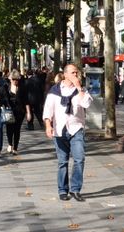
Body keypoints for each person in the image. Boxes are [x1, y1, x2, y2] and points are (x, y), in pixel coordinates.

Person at [43, 63, 92, 202]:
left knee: (79, 159)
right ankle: (63, 190)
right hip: (60, 129)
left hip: (76, 129)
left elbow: (86, 104)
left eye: (76, 72)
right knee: (62, 162)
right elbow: (48, 109)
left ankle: (75, 189)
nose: (75, 75)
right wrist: (48, 125)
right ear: (65, 74)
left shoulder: (81, 90)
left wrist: (79, 87)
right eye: (72, 73)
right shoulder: (55, 90)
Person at [7, 70, 30, 154]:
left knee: (17, 129)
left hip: (20, 111)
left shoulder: (22, 88)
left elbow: (26, 100)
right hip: (9, 111)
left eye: (17, 79)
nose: (15, 81)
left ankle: (15, 148)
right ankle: (10, 144)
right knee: (9, 129)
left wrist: (28, 112)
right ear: (10, 79)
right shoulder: (6, 87)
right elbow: (2, 97)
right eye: (13, 79)